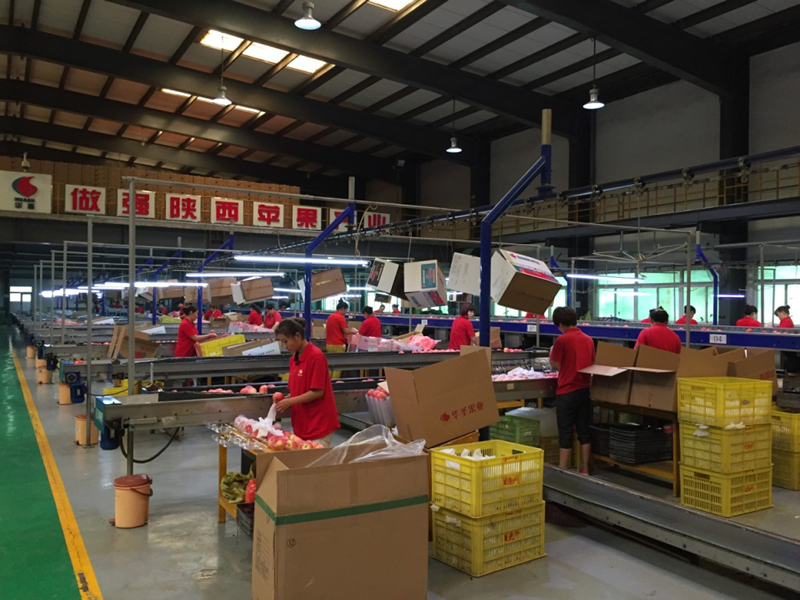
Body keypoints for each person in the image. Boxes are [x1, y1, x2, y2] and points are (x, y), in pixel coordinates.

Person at [274, 318, 341, 447]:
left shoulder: (316, 356)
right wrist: (284, 400)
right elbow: (297, 391)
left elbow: (317, 392)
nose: (284, 346)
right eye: (282, 342)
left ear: (297, 336)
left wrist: (290, 402)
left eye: (285, 341)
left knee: (314, 459)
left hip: (318, 424)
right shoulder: (294, 359)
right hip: (303, 423)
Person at [549, 307, 595, 474]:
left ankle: (563, 470)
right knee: (584, 430)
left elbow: (554, 364)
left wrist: (551, 353)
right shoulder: (588, 340)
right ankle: (585, 468)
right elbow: (592, 362)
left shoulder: (562, 340)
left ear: (561, 324)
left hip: (566, 391)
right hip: (584, 390)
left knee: (566, 431)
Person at [326, 300, 357, 378]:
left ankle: (328, 382)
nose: (346, 312)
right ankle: (335, 383)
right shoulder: (340, 317)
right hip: (338, 345)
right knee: (337, 367)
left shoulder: (330, 317)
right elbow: (345, 330)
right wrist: (354, 331)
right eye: (346, 310)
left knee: (330, 365)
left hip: (329, 344)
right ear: (342, 309)